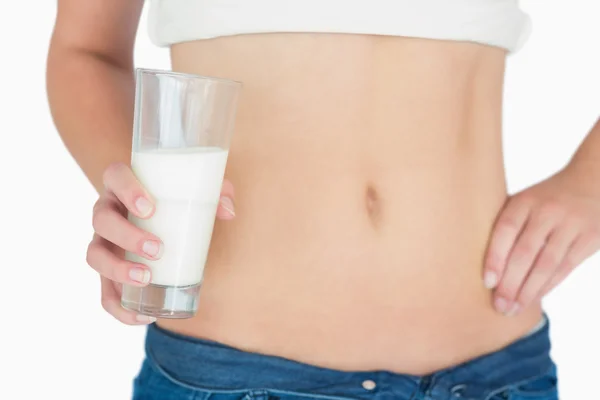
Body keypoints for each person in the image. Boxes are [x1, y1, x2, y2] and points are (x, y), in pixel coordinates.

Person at [47, 1, 600, 399]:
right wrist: (141, 204)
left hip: (495, 377)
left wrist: (591, 181)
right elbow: (86, 50)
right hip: (235, 376)